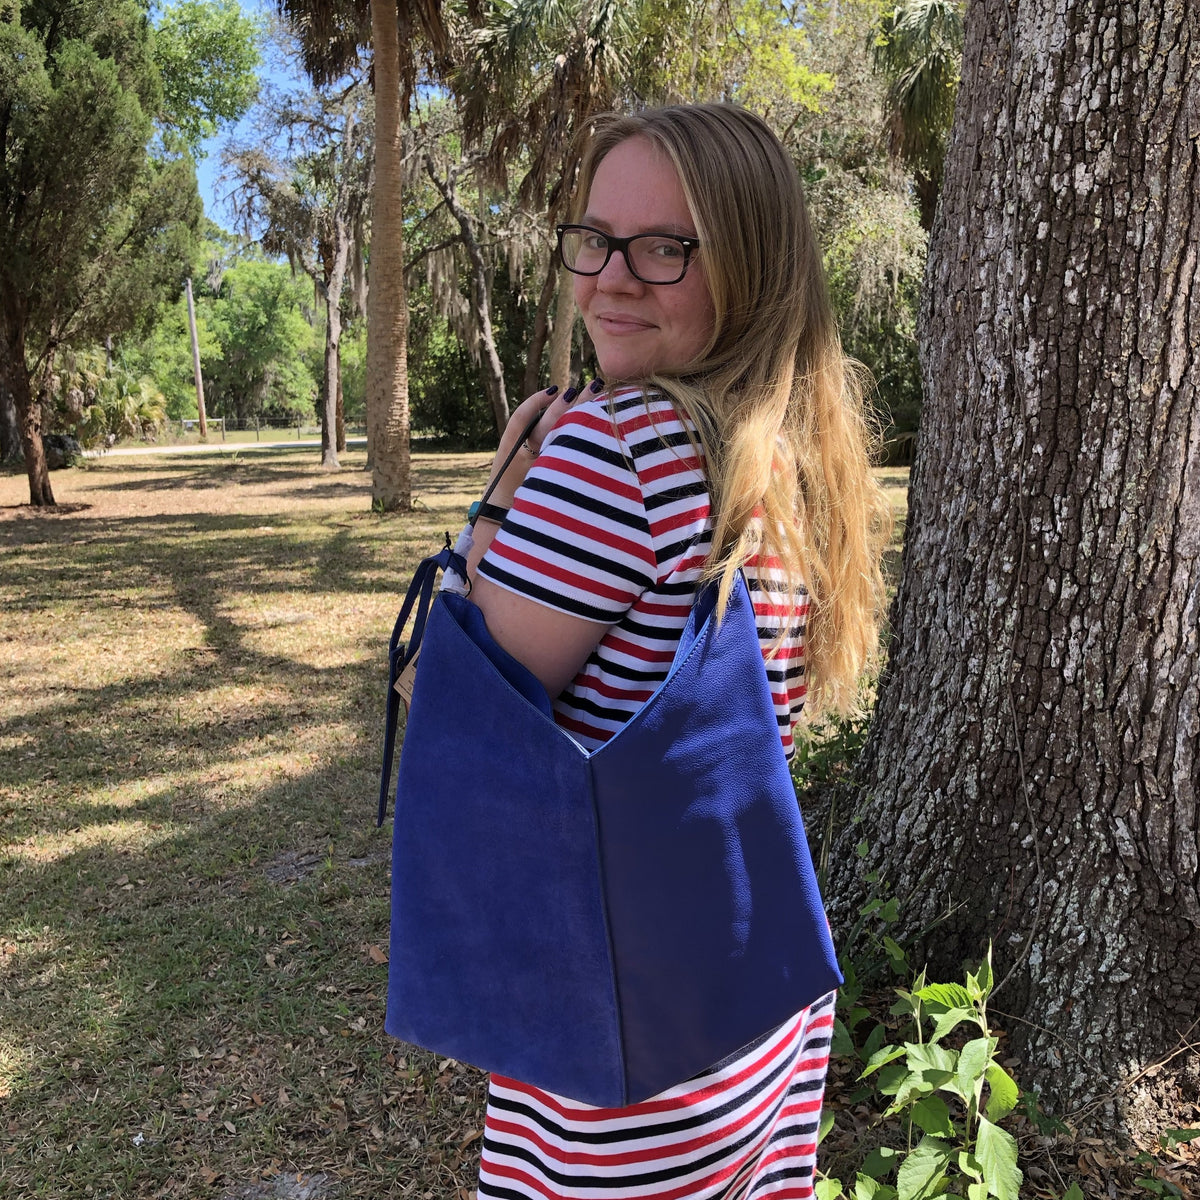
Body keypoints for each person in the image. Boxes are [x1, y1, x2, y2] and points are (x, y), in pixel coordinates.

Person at [461, 103, 890, 1200]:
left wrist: (499, 500)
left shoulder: (622, 450)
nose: (610, 278)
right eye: (596, 239)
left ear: (743, 268)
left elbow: (456, 709)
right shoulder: (785, 460)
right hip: (755, 1010)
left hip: (624, 1044)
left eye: (664, 248)